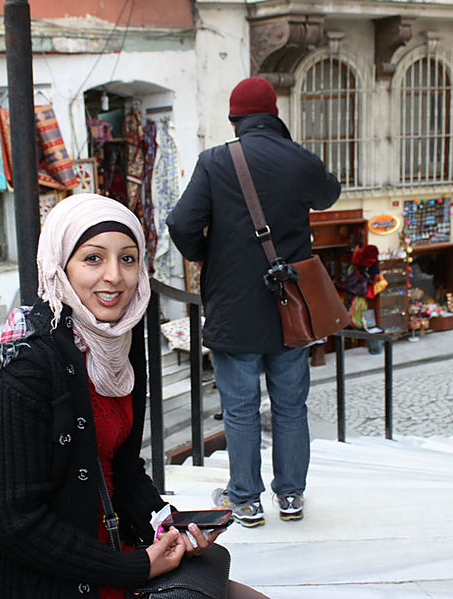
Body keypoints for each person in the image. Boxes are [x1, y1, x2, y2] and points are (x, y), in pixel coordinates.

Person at [0, 193, 267, 598]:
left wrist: (169, 527)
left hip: (115, 552)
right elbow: (17, 523)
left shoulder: (118, 342)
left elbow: (121, 469)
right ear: (59, 266)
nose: (115, 277)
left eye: (127, 258)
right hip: (59, 580)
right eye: (92, 258)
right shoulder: (22, 365)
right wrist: (136, 565)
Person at [167, 77, 341, 527]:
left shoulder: (214, 162)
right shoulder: (298, 159)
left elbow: (182, 222)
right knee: (290, 406)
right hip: (291, 310)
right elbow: (329, 194)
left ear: (234, 119)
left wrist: (208, 255)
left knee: (240, 409)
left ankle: (244, 499)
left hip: (234, 307)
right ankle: (291, 497)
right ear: (275, 115)